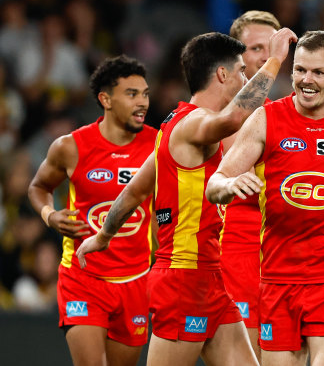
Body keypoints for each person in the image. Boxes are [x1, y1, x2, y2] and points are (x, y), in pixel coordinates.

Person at [76, 29, 297, 366]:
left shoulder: (171, 126)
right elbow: (233, 118)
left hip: (209, 277)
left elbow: (135, 189)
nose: (244, 76)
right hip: (182, 279)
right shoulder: (194, 125)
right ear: (222, 74)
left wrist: (104, 235)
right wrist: (276, 59)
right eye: (240, 70)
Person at [206, 30, 324, 366]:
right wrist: (229, 187)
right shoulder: (265, 119)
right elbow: (215, 184)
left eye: (318, 72)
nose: (307, 80)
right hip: (277, 278)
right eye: (300, 70)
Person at [27, 55, 157, 366]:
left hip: (136, 280)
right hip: (83, 277)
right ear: (105, 99)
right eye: (132, 94)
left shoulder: (160, 144)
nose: (143, 102)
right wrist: (50, 215)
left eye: (146, 94)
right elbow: (38, 188)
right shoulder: (70, 146)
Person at [221, 10, 281, 361]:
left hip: (284, 261)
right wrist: (274, 61)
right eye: (256, 48)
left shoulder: (285, 114)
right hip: (235, 257)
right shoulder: (217, 113)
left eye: (271, 48)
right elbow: (230, 159)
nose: (264, 55)